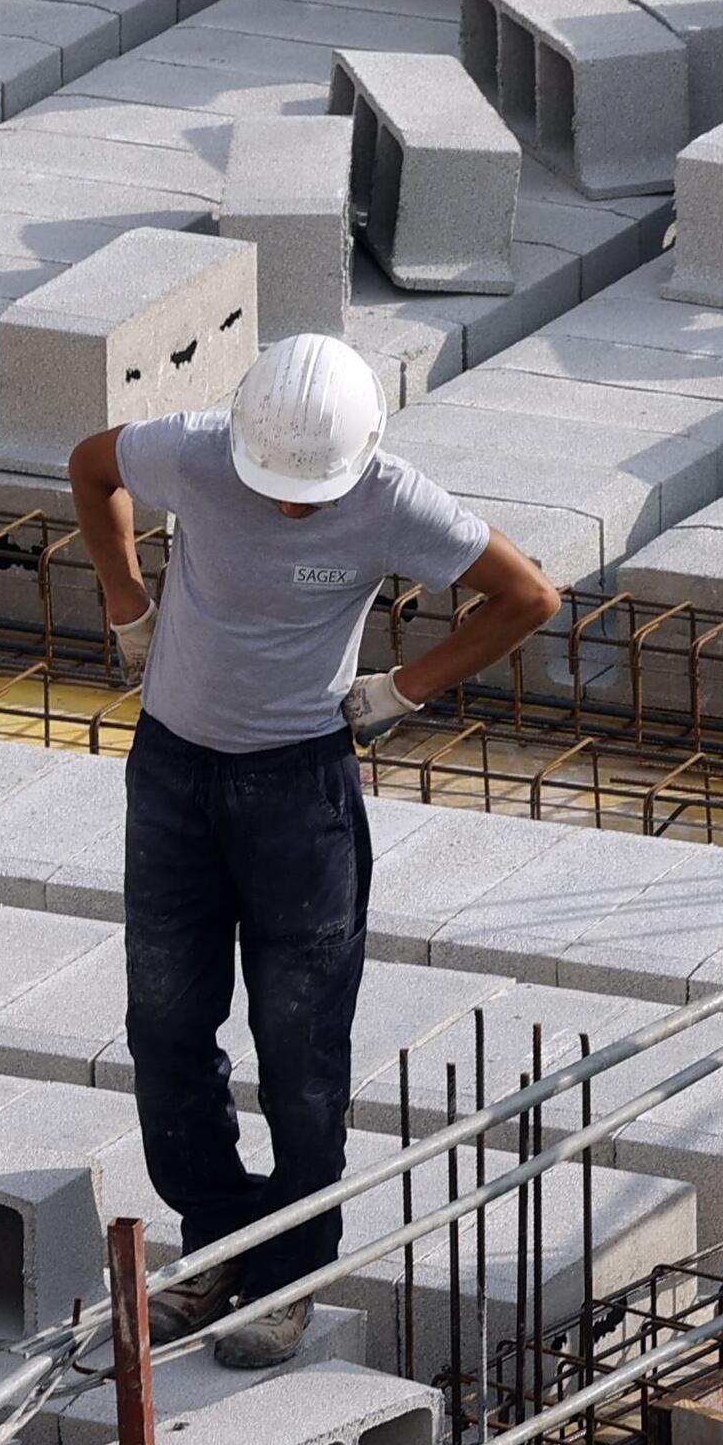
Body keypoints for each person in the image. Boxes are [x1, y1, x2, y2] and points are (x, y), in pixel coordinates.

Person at [73, 332, 561, 1369]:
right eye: (275, 487)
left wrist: (404, 687)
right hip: (171, 778)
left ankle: (289, 1266)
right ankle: (215, 1238)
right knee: (163, 1018)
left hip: (298, 794)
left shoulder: (389, 496)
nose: (292, 506)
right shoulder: (201, 452)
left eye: (311, 495)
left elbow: (527, 595)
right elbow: (91, 463)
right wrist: (128, 604)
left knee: (298, 1046)